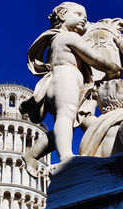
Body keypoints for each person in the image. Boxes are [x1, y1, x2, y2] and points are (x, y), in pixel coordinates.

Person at [20, 2, 123, 178]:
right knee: (66, 117)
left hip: (67, 82)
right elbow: (93, 58)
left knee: (70, 123)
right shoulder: (67, 37)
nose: (84, 18)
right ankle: (66, 158)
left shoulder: (60, 37)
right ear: (61, 15)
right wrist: (112, 67)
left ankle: (32, 153)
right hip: (65, 78)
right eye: (78, 14)